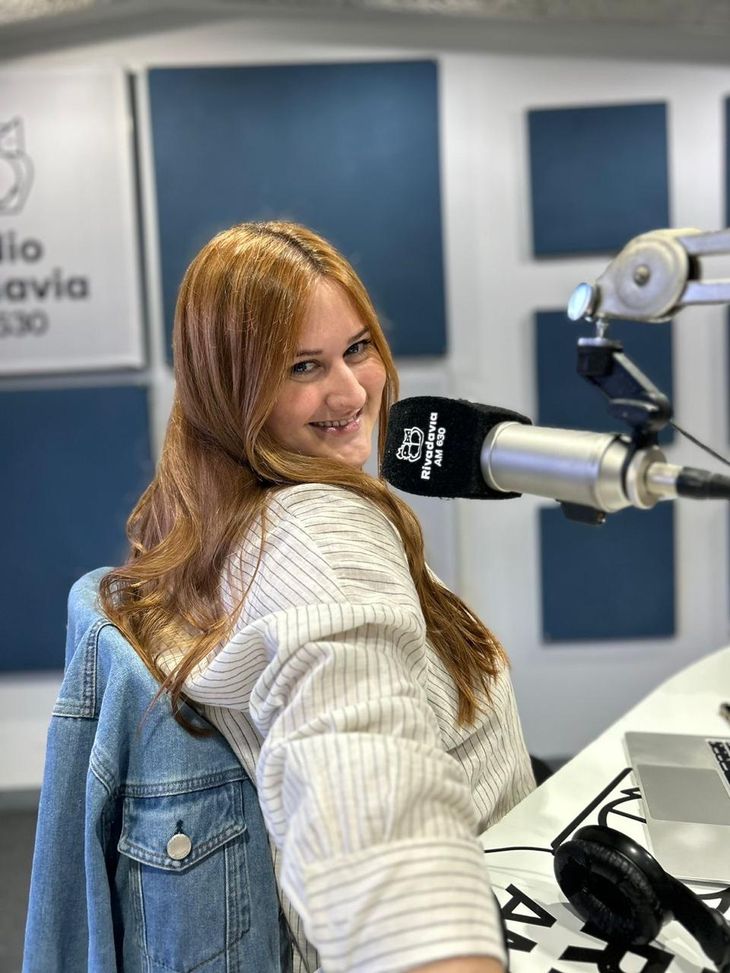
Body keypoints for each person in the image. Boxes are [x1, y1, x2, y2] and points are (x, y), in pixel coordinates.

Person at [100, 221, 536, 973]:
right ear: (229, 387)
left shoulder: (202, 518)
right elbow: (363, 775)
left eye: (358, 348)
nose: (350, 390)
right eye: (304, 365)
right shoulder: (319, 530)